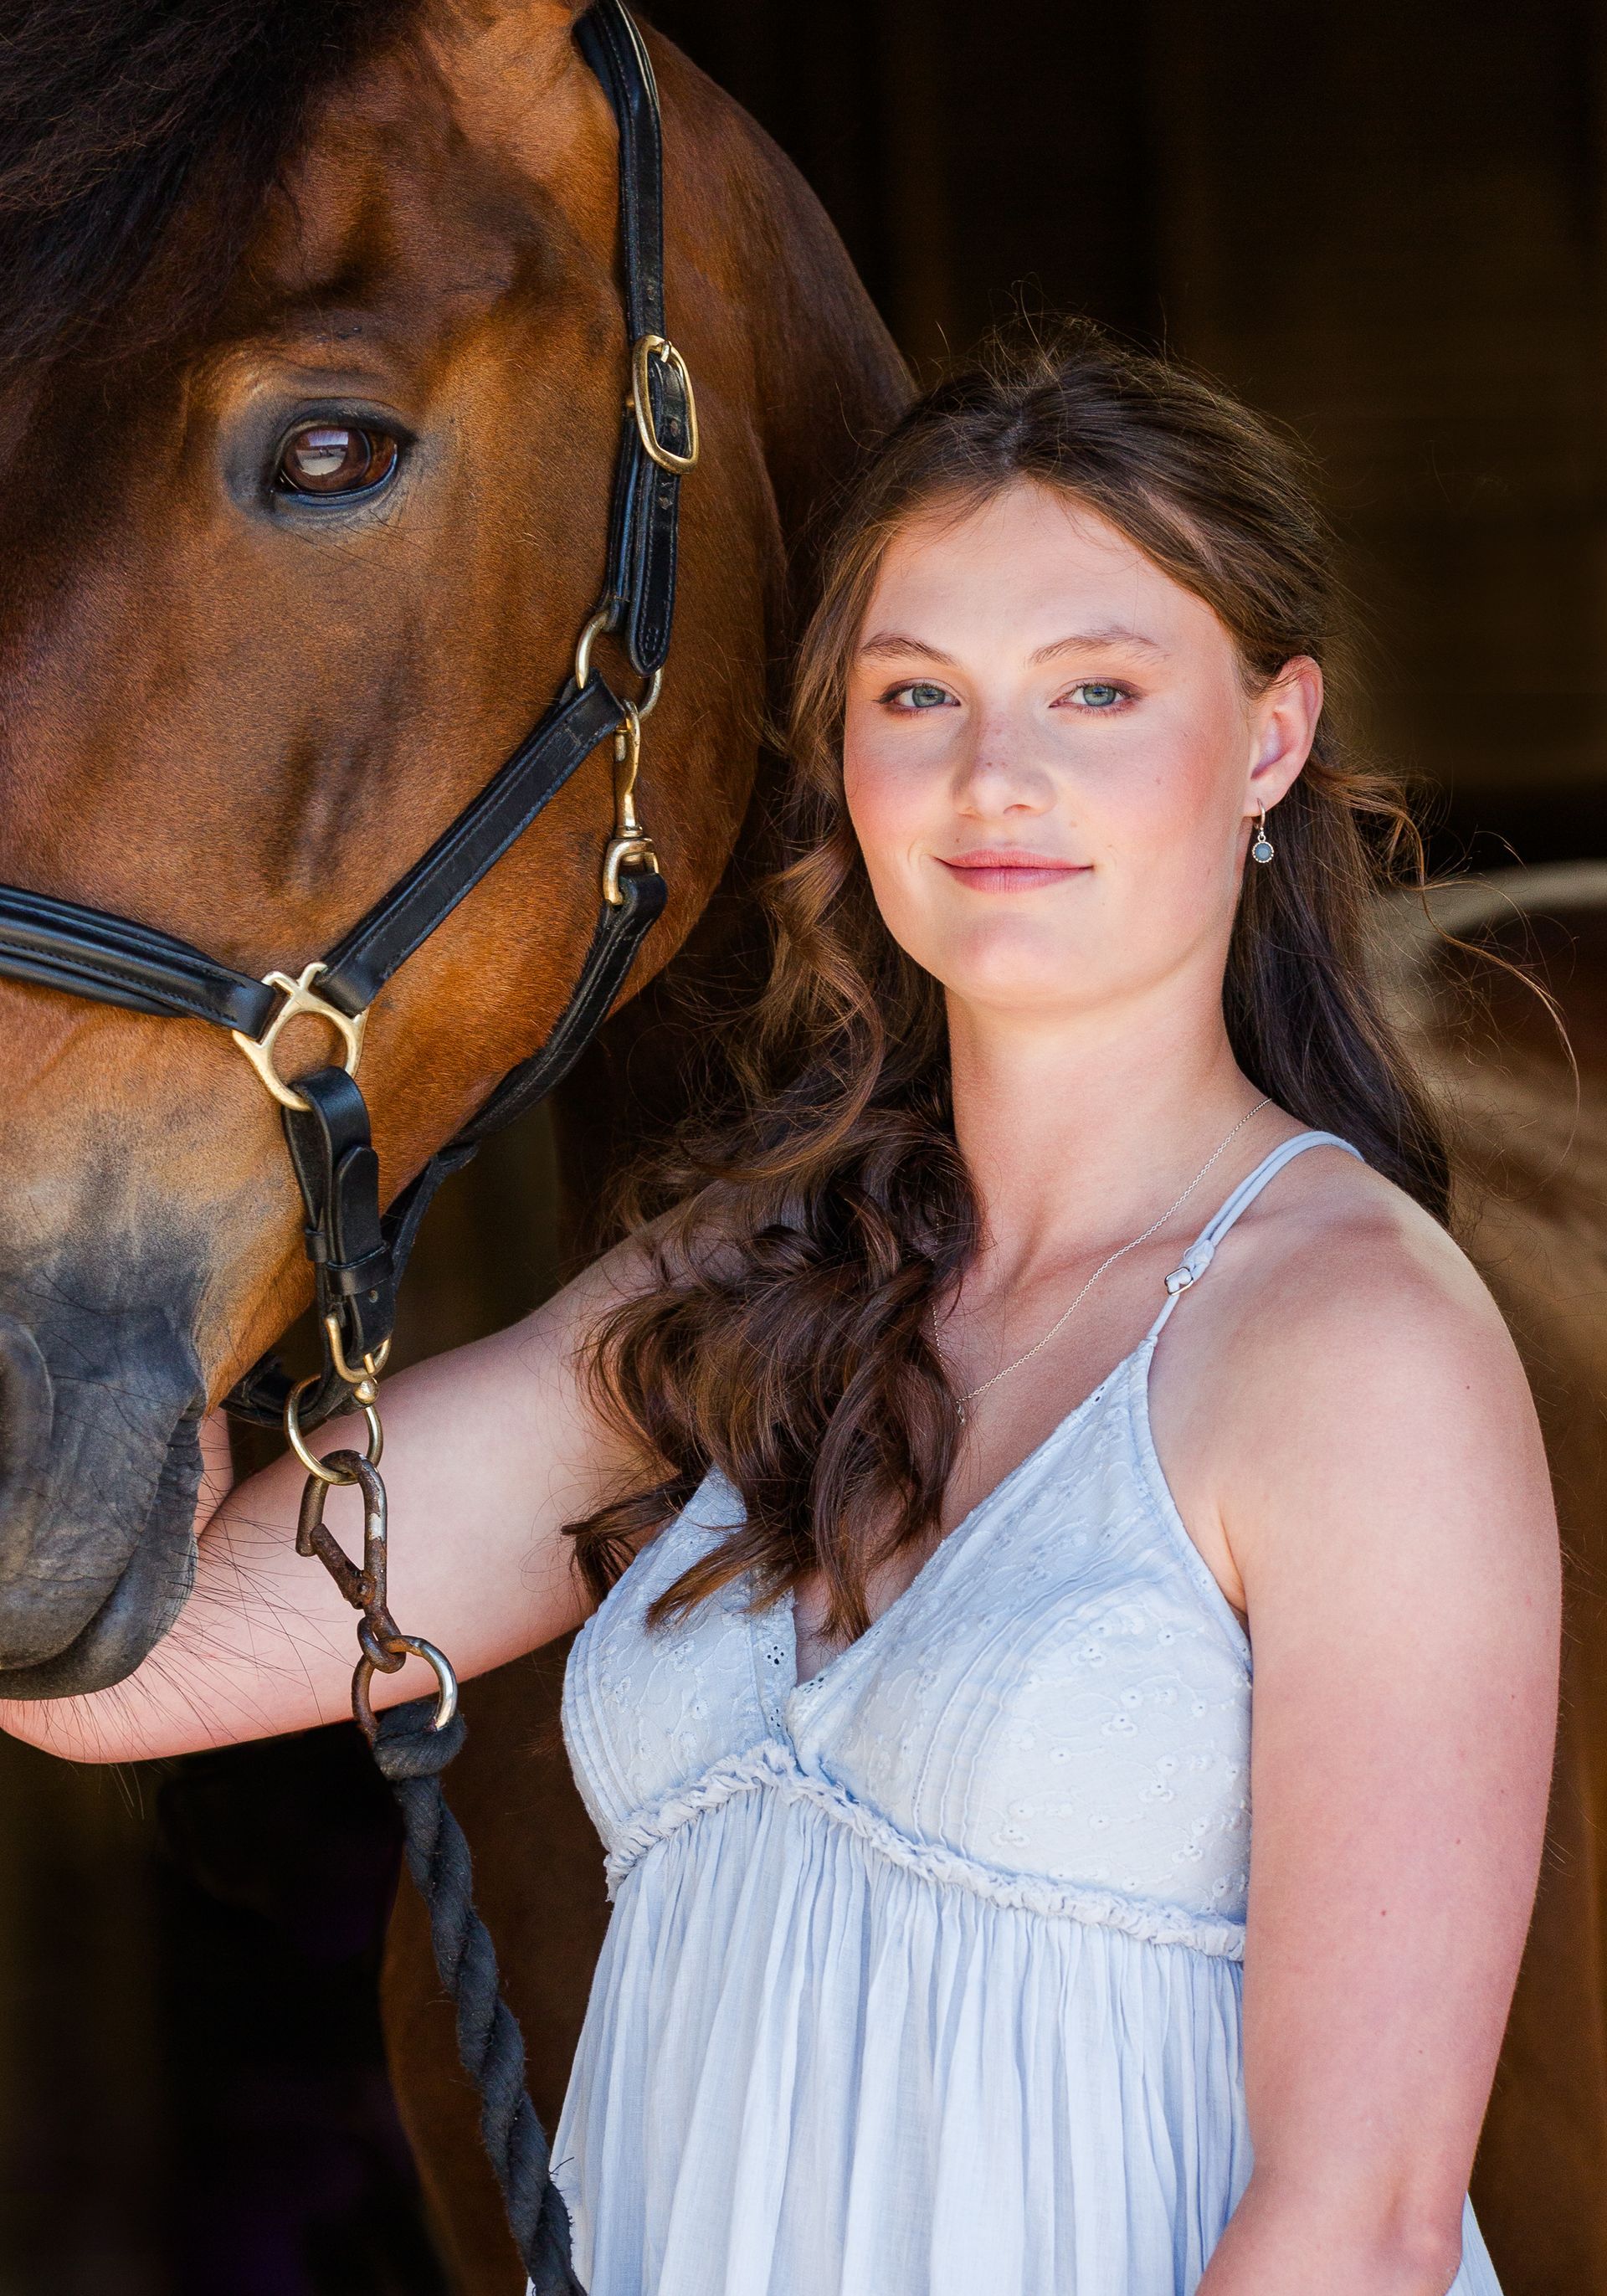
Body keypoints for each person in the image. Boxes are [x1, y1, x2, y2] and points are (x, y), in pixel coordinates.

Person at [6, 326, 1559, 2296]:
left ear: (1267, 736)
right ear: (847, 752)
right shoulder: (747, 1290)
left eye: (1097, 687)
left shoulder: (1354, 1347)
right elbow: (141, 1656)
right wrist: (128, 1212)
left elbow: (1361, 2227)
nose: (998, 775)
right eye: (921, 694)